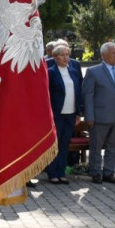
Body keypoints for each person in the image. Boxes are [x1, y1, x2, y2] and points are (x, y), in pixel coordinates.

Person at [81, 41, 115, 184]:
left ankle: (109, 172)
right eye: (113, 53)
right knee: (96, 146)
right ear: (103, 55)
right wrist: (89, 116)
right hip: (99, 118)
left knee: (113, 147)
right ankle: (96, 172)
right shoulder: (94, 72)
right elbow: (88, 96)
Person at [45, 43, 83, 184]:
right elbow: (46, 95)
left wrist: (78, 113)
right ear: (55, 57)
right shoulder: (50, 72)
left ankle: (61, 172)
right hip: (56, 114)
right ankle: (52, 172)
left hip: (70, 113)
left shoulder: (73, 71)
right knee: (54, 144)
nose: (65, 57)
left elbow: (78, 93)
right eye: (62, 55)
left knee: (65, 144)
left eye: (67, 55)